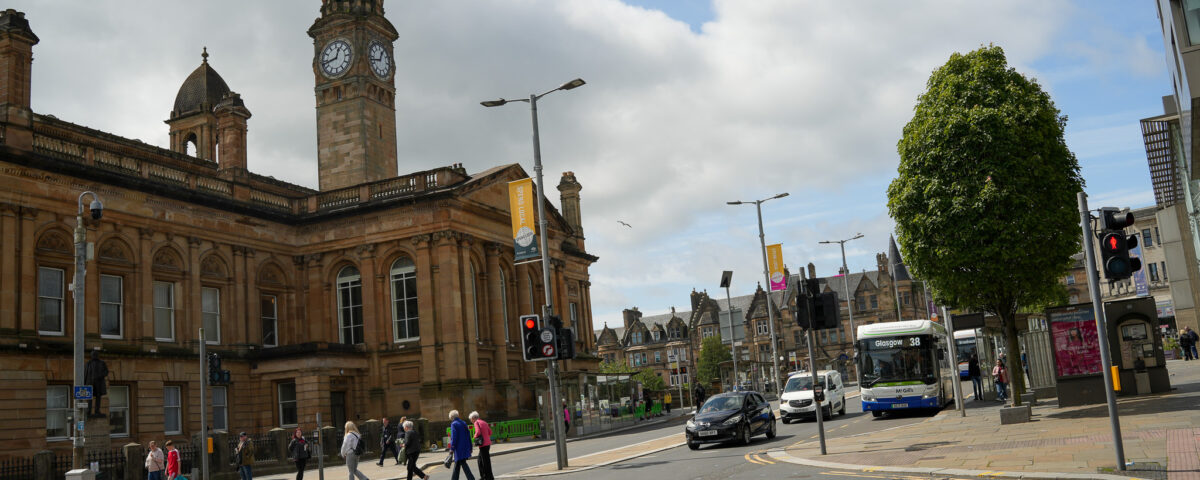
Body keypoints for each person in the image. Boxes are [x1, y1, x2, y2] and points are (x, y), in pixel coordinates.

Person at [447, 410, 476, 480]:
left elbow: (454, 438)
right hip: (466, 446)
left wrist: (452, 448)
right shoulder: (464, 423)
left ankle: (471, 478)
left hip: (458, 448)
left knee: (463, 463)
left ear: (451, 417)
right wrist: (470, 447)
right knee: (458, 464)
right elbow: (468, 435)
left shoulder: (454, 424)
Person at [84, 350, 109, 417]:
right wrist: (84, 383)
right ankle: (88, 411)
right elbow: (85, 374)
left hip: (99, 382)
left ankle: (97, 411)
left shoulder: (102, 363)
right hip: (90, 382)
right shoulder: (88, 363)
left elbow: (106, 372)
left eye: (95, 354)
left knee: (98, 397)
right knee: (89, 396)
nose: (94, 356)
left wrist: (100, 375)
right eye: (93, 354)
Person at [470, 411, 494, 480]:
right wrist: (485, 436)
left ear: (474, 418)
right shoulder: (484, 422)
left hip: (483, 444)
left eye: (471, 419)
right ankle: (486, 476)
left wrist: (474, 437)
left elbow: (478, 432)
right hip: (488, 444)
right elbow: (490, 432)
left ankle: (487, 477)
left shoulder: (476, 422)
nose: (471, 421)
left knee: (484, 461)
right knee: (481, 460)